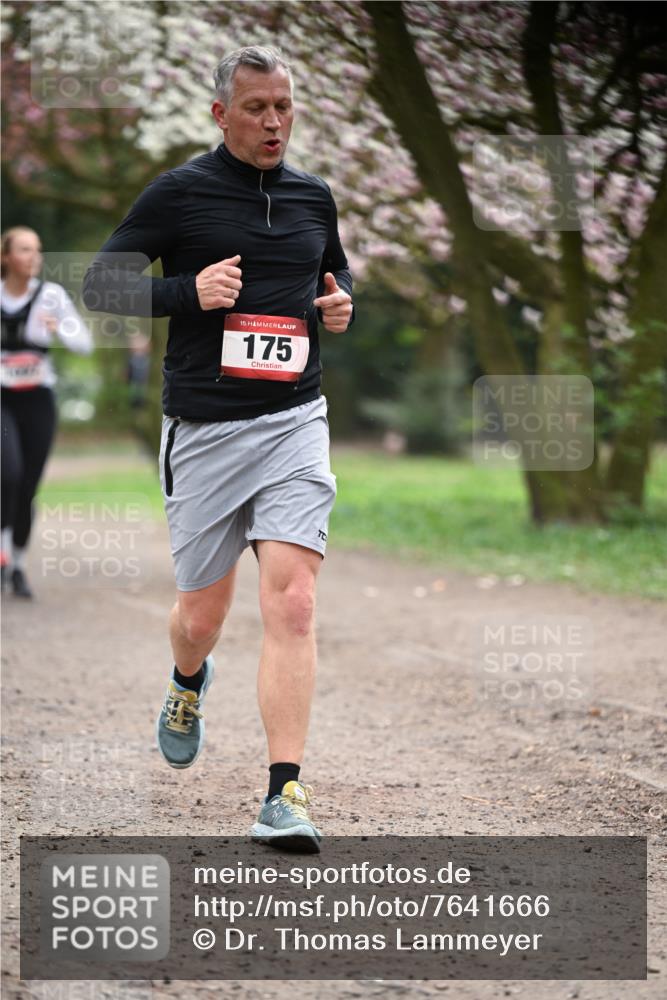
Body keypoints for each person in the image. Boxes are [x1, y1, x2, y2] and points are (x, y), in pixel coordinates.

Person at [83, 46, 354, 852]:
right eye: (256, 108)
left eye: (284, 107)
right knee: (201, 616)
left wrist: (339, 309)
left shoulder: (314, 196)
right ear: (220, 115)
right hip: (203, 428)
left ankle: (284, 794)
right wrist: (184, 294)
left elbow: (330, 281)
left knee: (295, 601)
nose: (274, 122)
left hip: (294, 421)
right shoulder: (179, 193)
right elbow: (100, 283)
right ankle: (186, 680)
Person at [1, 226, 93, 598]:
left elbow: (84, 344)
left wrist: (59, 329)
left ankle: (18, 564)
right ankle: (3, 556)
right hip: (2, 399)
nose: (33, 257)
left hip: (38, 398)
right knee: (8, 473)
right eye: (24, 249)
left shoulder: (50, 296)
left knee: (27, 486)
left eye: (37, 250)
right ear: (6, 256)